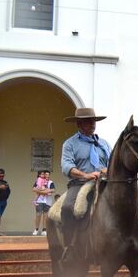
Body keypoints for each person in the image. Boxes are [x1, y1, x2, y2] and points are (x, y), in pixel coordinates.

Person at [60, 108, 112, 259]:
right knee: (68, 207)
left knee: (136, 202)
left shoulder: (104, 144)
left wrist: (107, 170)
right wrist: (86, 175)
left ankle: (136, 241)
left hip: (105, 183)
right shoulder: (69, 144)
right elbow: (67, 166)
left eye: (94, 120)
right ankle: (69, 246)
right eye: (88, 121)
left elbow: (112, 163)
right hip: (80, 183)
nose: (92, 124)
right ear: (79, 124)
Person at [32, 170, 55, 236]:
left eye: (48, 175)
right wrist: (45, 192)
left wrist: (47, 191)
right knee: (38, 214)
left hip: (47, 202)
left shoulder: (51, 182)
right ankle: (36, 229)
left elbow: (53, 190)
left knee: (45, 216)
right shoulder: (39, 180)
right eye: (45, 174)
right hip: (39, 201)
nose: (46, 176)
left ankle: (44, 230)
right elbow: (34, 189)